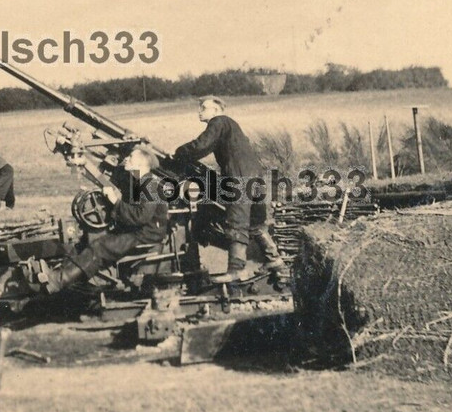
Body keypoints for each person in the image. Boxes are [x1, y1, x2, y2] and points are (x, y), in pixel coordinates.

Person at [173, 95, 284, 282]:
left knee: (237, 222)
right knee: (256, 223)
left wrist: (179, 153)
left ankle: (236, 269)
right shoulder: (232, 125)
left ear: (216, 110)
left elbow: (201, 146)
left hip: (238, 176)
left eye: (203, 107)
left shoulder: (219, 122)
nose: (199, 111)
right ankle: (274, 259)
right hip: (255, 176)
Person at [41, 144, 168, 293]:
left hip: (145, 235)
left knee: (100, 246)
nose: (126, 159)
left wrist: (115, 201)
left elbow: (141, 217)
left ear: (140, 164)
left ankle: (57, 281)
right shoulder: (137, 181)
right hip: (136, 230)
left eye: (131, 157)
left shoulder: (149, 185)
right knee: (88, 239)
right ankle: (62, 277)